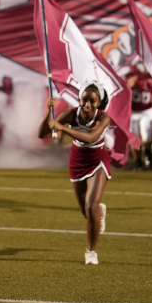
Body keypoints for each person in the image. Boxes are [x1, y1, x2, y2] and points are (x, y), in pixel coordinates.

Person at [38, 81, 112, 265]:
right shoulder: (71, 114)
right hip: (77, 162)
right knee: (87, 213)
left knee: (90, 206)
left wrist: (63, 128)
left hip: (98, 161)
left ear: (99, 103)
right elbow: (42, 133)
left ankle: (91, 252)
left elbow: (90, 138)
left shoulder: (103, 118)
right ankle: (100, 212)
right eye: (84, 100)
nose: (87, 104)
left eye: (92, 101)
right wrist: (49, 112)